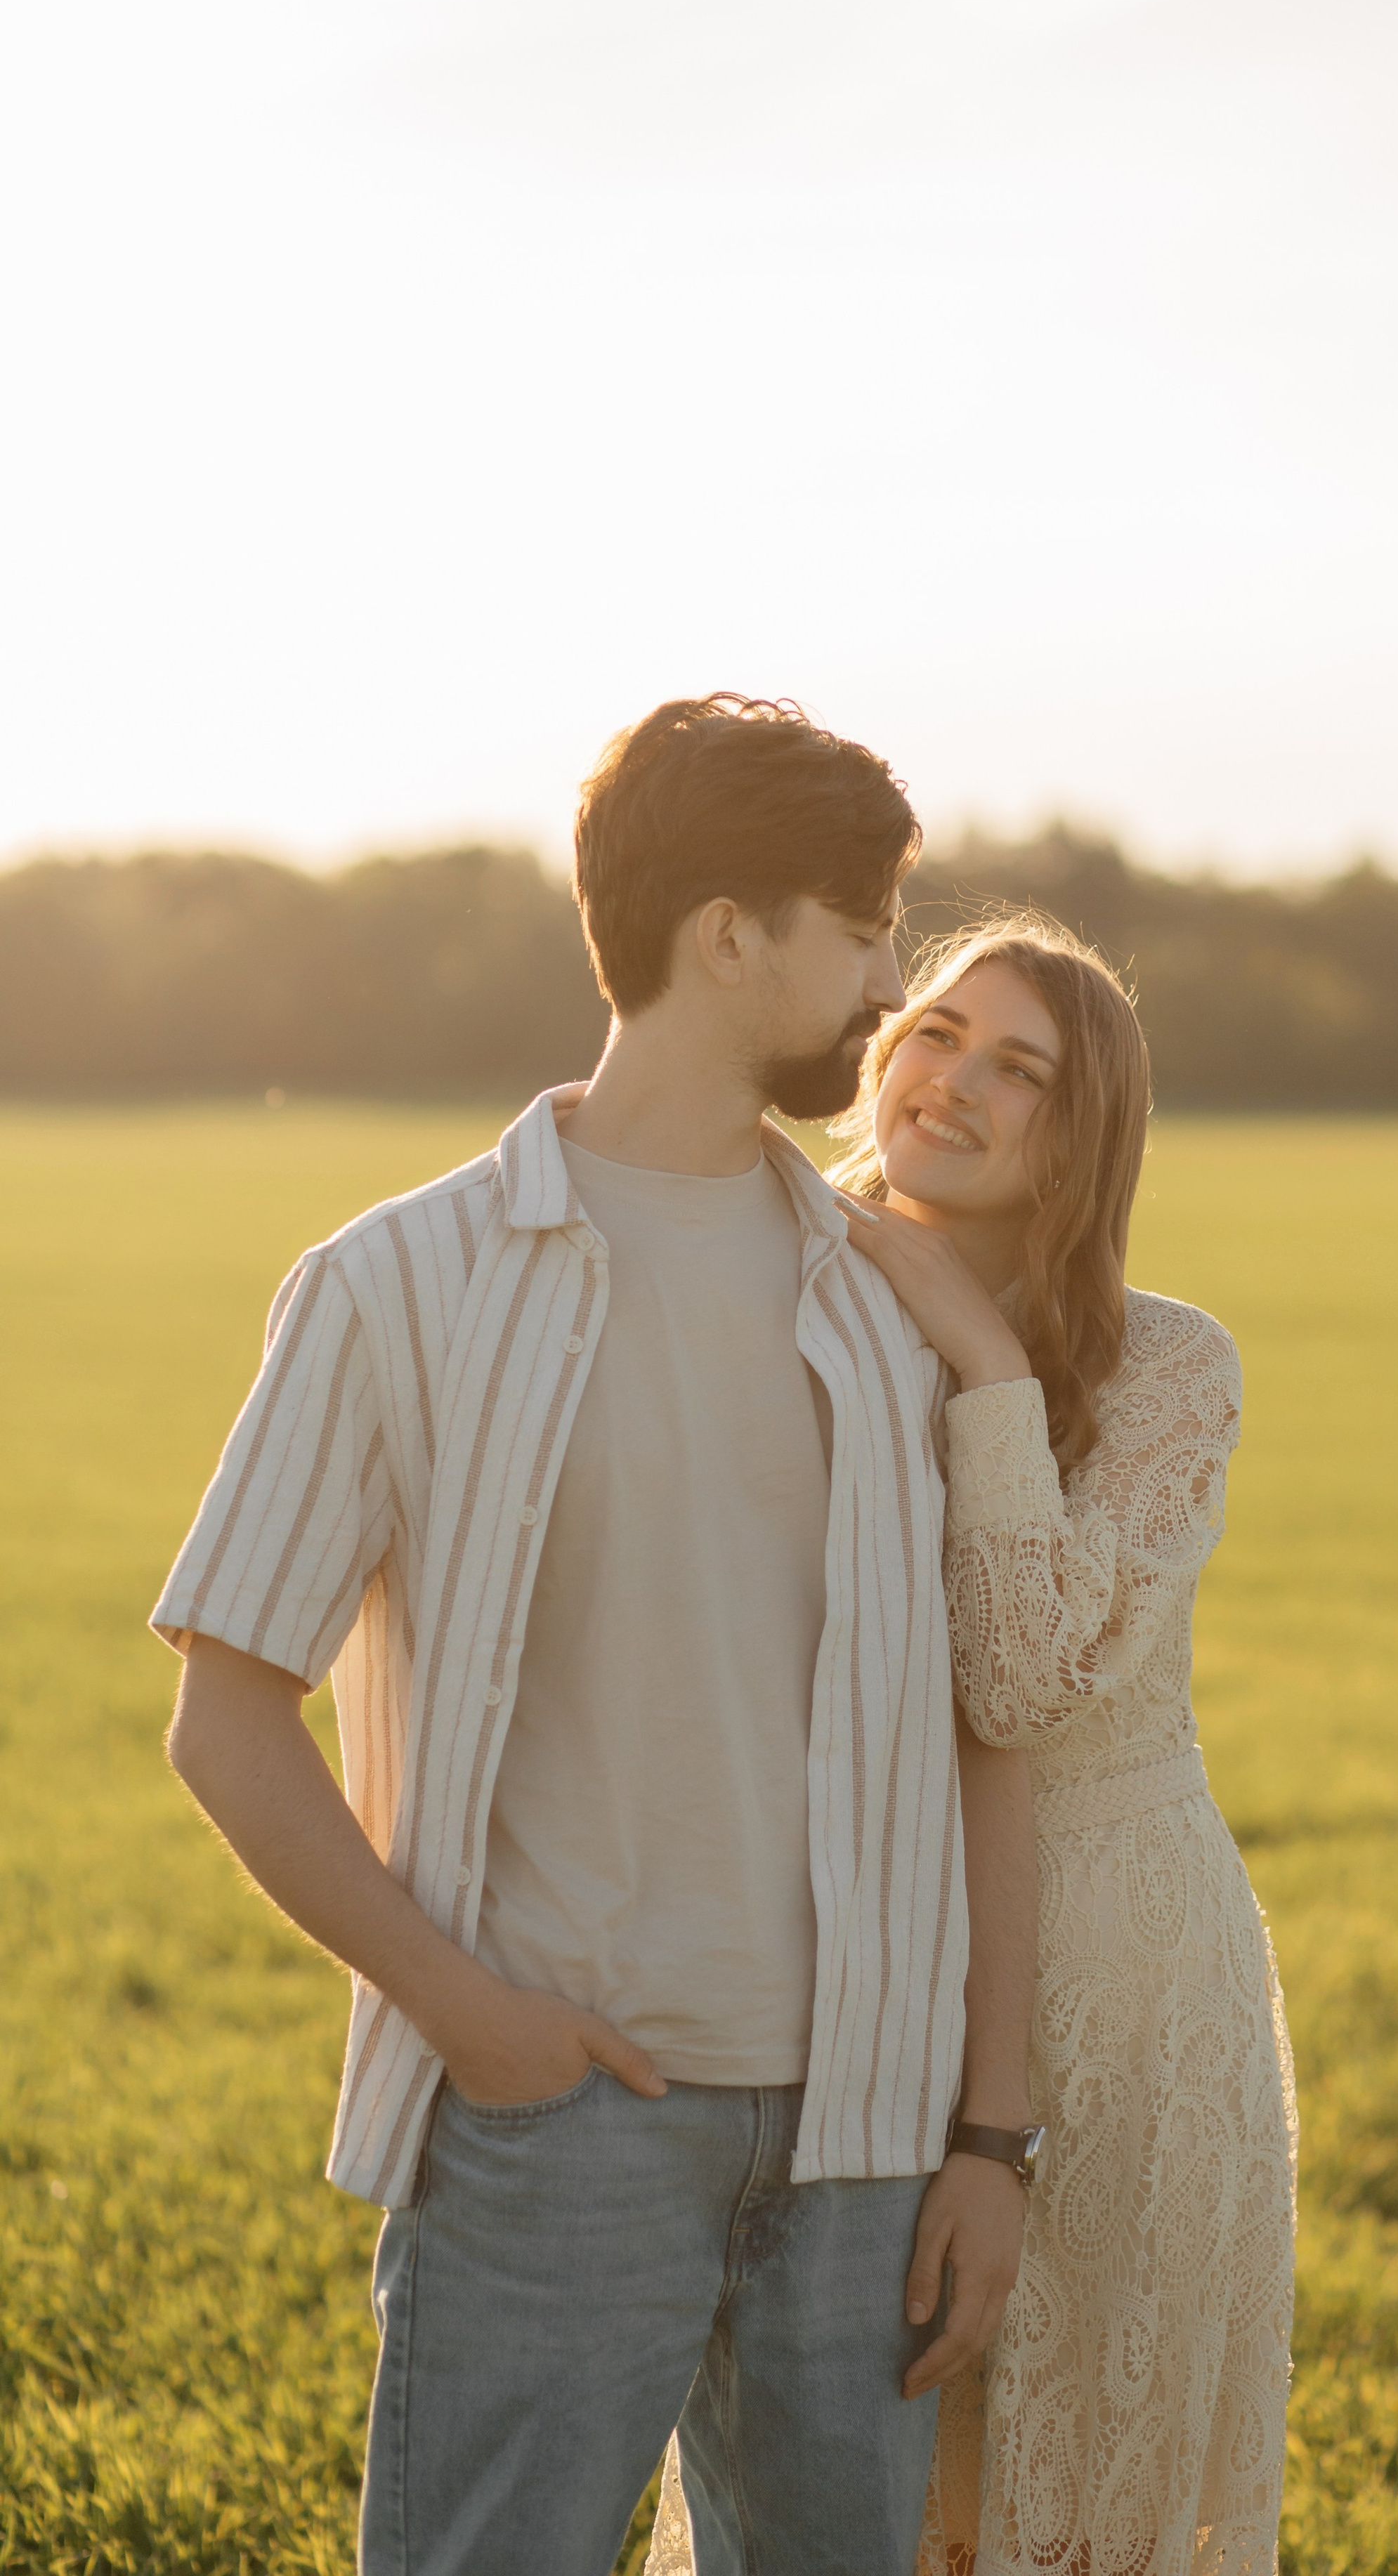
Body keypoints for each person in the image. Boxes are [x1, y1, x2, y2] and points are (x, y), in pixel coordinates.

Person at [155, 695, 1040, 2576]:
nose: (891, 980)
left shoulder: (889, 1303)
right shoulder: (395, 1285)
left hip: (864, 2148)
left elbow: (991, 1736)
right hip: (552, 2139)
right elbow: (226, 1721)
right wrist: (477, 2024)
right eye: (863, 922)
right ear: (730, 936)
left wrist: (987, 2142)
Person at [834, 917, 1298, 2576]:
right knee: (860, 2478)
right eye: (936, 1033)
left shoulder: (1169, 1363)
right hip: (855, 1948)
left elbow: (1017, 1686)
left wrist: (981, 1355)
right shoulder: (796, 1291)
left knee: (1082, 2490)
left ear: (1075, 1133)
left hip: (1123, 1982)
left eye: (1014, 1068)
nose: (950, 1080)